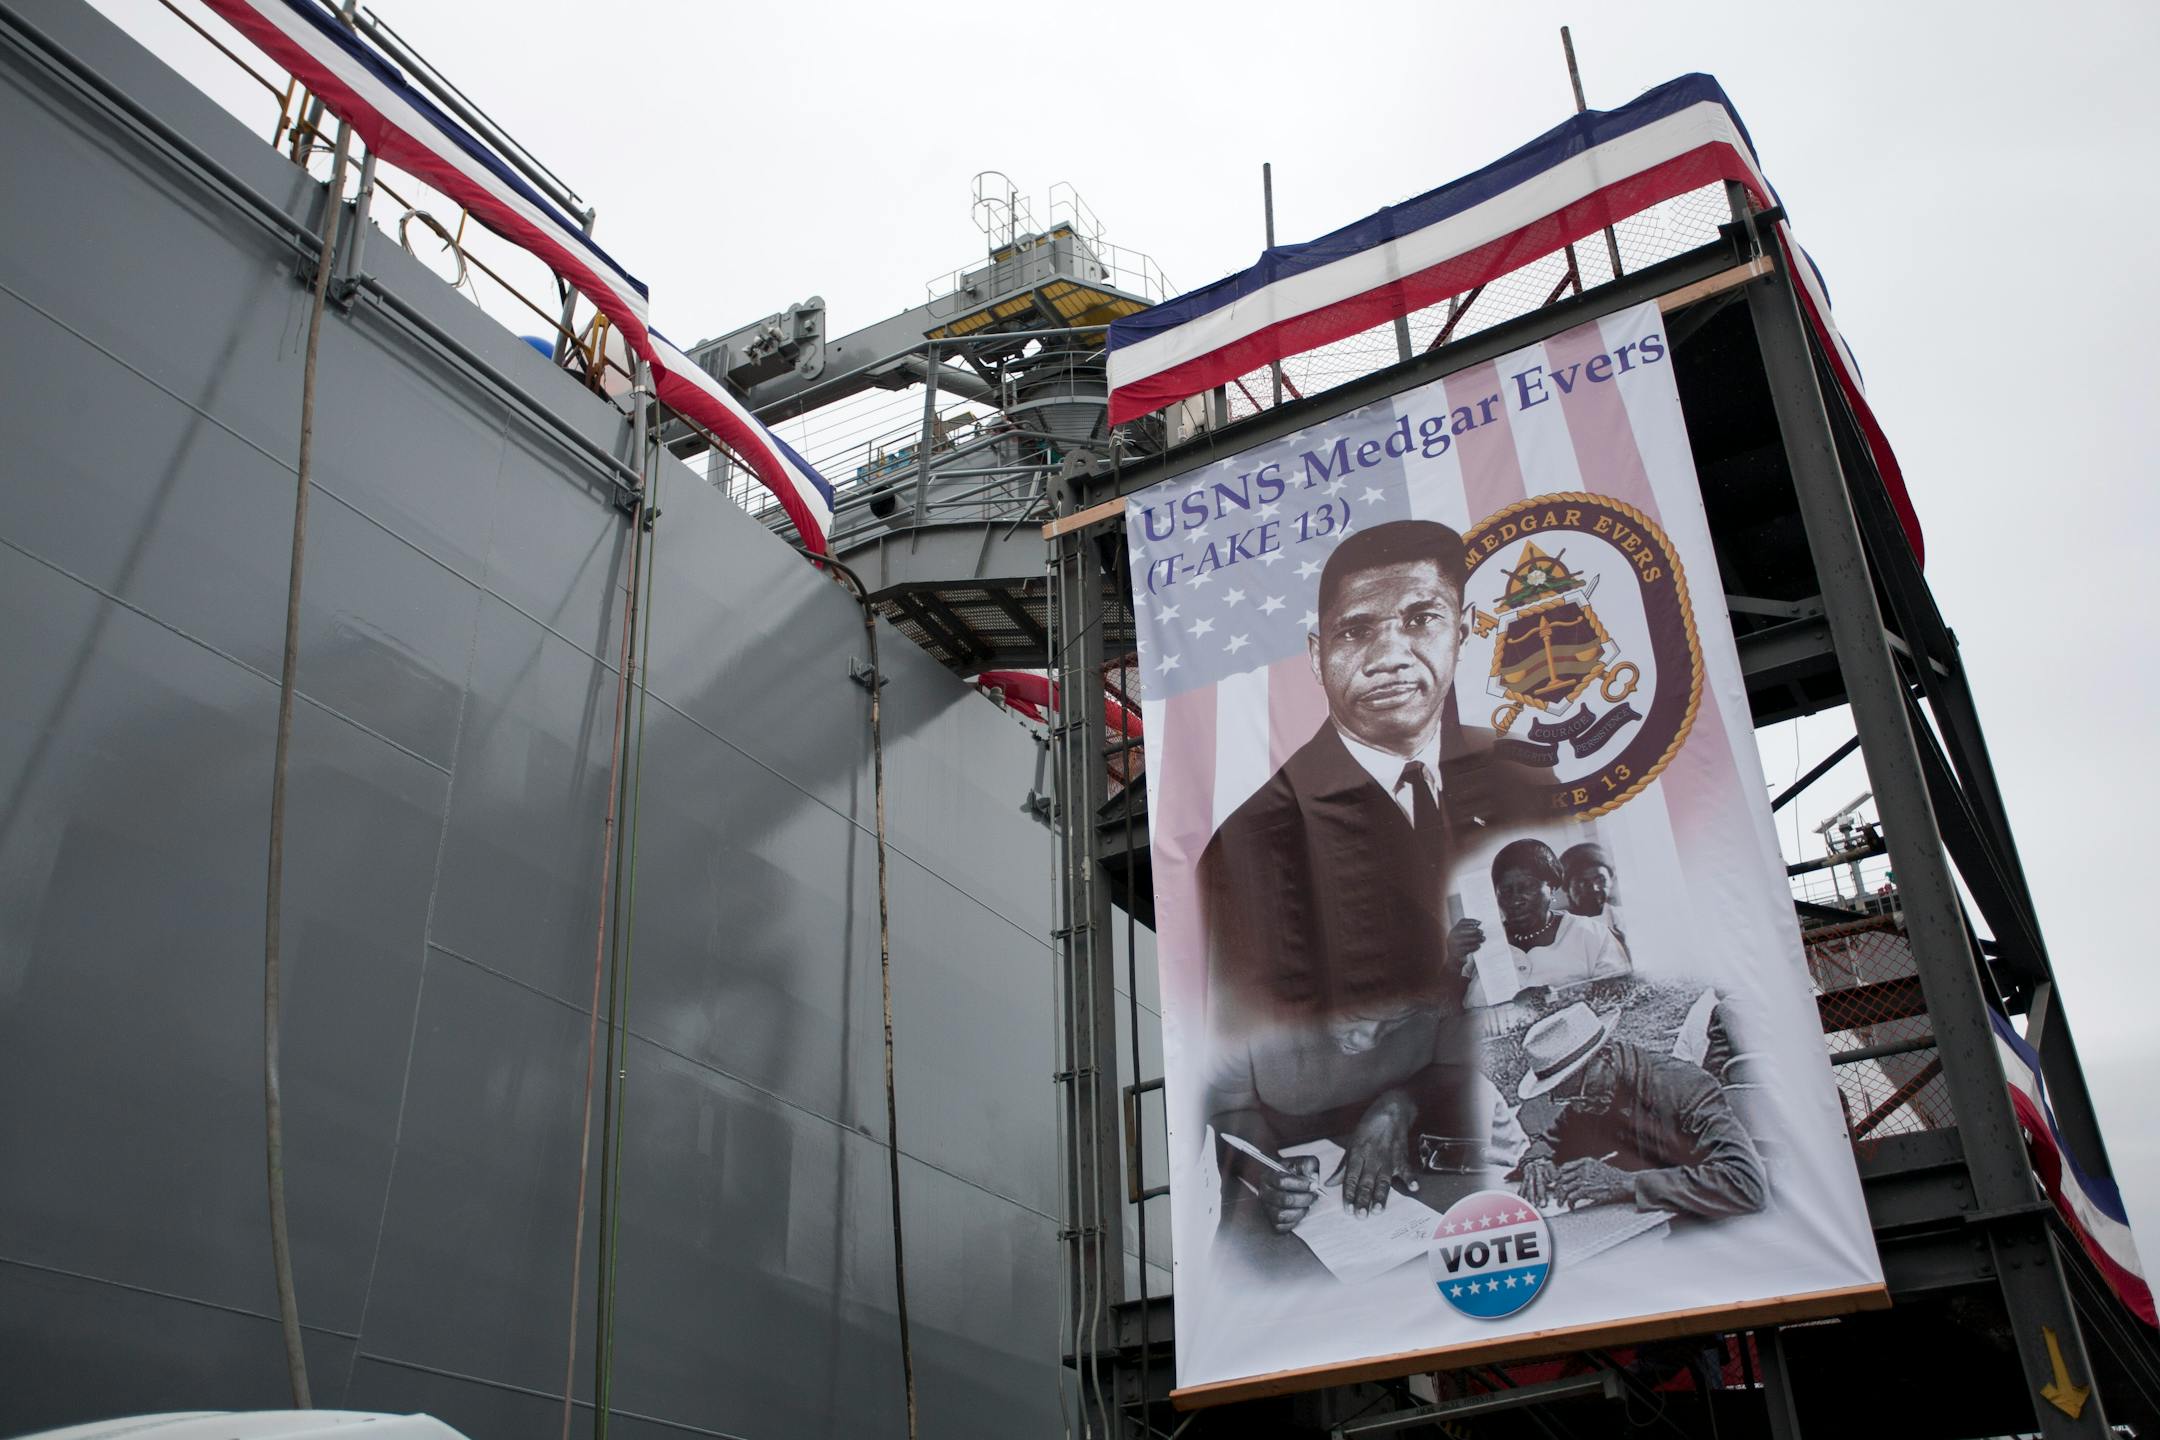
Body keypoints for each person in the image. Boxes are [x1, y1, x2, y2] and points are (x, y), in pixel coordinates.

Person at [1197, 520, 1540, 1038]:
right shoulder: (1254, 837)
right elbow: (1264, 1059)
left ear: (1464, 632)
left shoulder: (1524, 771)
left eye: (1422, 619)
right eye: (1355, 632)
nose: (1389, 659)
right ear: (1317, 655)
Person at [1511, 1003, 1767, 1219]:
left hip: (1727, 1229)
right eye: (1566, 1099)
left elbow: (1745, 1184)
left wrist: (1626, 1183)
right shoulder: (1594, 1094)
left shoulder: (1684, 1087)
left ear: (1607, 1056)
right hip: (1659, 1223)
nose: (1578, 1107)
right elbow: (1556, 1139)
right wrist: (1538, 1160)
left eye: (1581, 1091)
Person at [1458, 839, 1631, 1000]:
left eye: (1528, 887)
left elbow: (1620, 997)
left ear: (1552, 887)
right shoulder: (1480, 943)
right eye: (1506, 891)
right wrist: (1452, 961)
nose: (1516, 900)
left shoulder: (1592, 935)